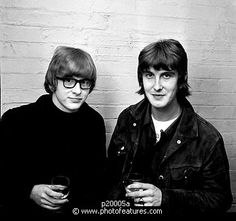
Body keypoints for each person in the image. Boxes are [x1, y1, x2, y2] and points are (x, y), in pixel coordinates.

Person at [106, 39, 232, 216]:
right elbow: (111, 178)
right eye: (149, 75)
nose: (157, 86)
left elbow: (221, 199)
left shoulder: (208, 138)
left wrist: (164, 198)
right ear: (141, 78)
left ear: (182, 78)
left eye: (166, 75)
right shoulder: (128, 119)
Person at [0, 46, 107, 217]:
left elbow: (98, 181)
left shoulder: (94, 122)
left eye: (84, 82)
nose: (78, 90)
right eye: (69, 80)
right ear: (53, 81)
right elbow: (2, 176)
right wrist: (30, 190)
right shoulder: (17, 120)